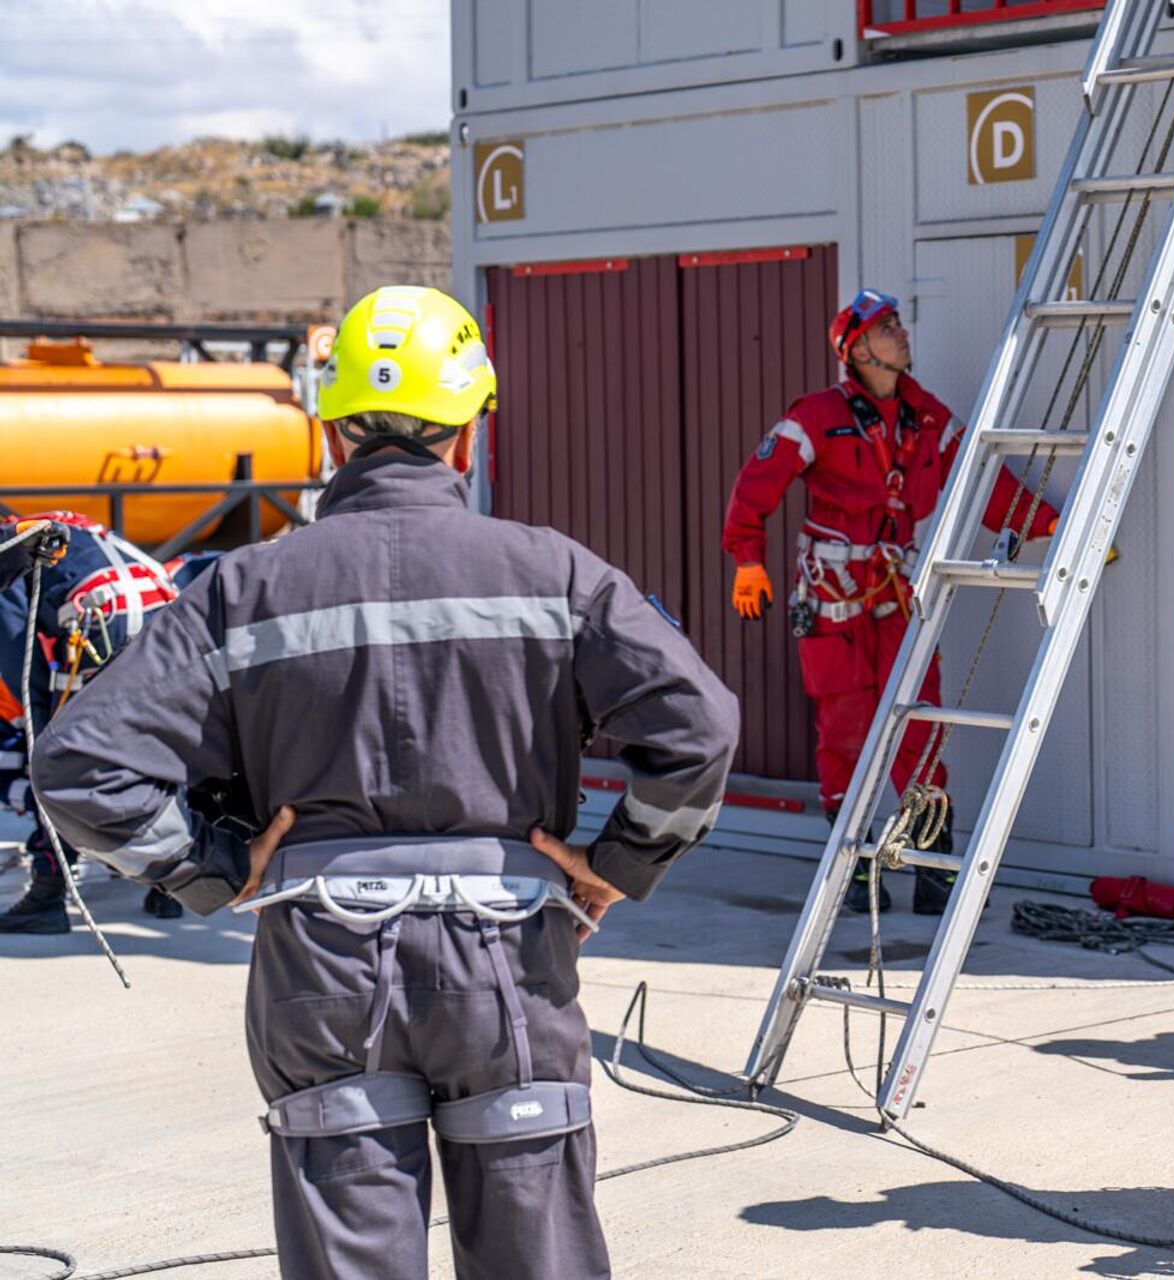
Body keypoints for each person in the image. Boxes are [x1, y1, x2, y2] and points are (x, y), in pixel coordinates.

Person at [32, 284, 741, 1280]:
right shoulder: (556, 573)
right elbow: (699, 724)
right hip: (508, 962)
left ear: (331, 438)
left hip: (322, 967)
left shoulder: (242, 589)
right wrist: (616, 860)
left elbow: (78, 763)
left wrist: (210, 868)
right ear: (466, 437)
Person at [722, 287, 1057, 914]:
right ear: (857, 348)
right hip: (831, 600)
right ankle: (851, 869)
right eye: (888, 326)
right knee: (845, 730)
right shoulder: (816, 416)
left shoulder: (925, 415)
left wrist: (1052, 527)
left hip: (895, 591)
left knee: (917, 720)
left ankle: (932, 866)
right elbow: (756, 484)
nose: (902, 334)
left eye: (899, 323)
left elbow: (979, 480)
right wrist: (747, 559)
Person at [0, 512, 184, 930]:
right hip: (167, 617)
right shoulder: (64, 525)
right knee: (159, 756)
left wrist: (45, 725)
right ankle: (167, 886)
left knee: (58, 762)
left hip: (102, 624)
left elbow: (22, 671)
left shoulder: (10, 550)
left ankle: (48, 892)